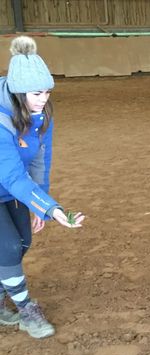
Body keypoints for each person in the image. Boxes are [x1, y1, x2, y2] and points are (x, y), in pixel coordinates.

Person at [0, 36, 85, 339]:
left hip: (12, 188)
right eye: (37, 93)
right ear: (18, 91)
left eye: (48, 92)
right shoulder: (1, 119)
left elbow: (39, 160)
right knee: (8, 248)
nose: (44, 99)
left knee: (22, 242)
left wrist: (39, 202)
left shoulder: (41, 114)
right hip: (8, 181)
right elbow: (10, 174)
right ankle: (26, 311)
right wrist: (50, 207)